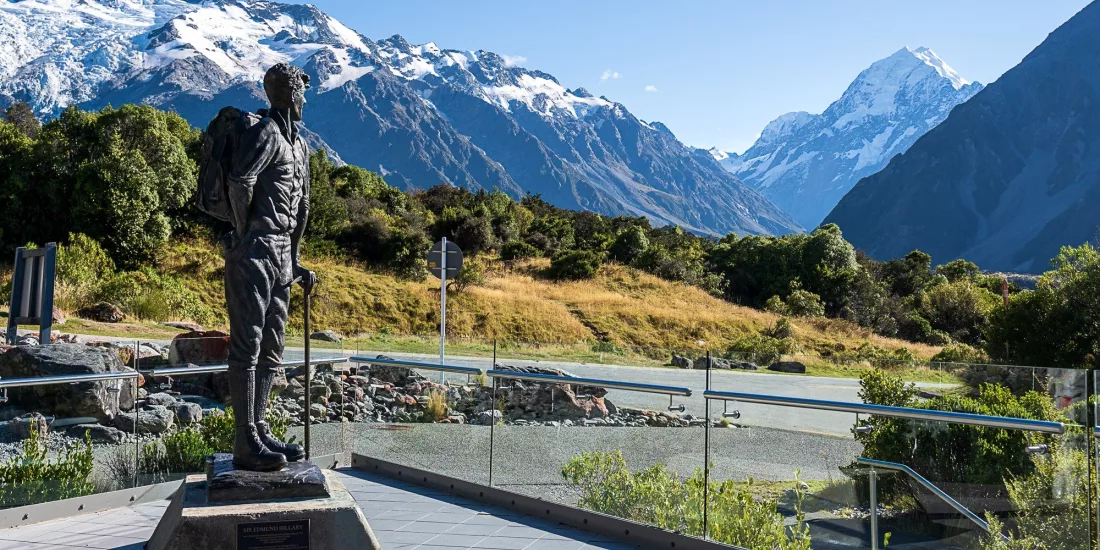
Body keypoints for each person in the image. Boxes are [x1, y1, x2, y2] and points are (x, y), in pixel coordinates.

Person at [223, 62, 317, 471]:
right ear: (291, 94)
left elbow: (304, 204)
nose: (304, 99)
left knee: (273, 347)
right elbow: (240, 181)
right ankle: (245, 439)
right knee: (247, 343)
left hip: (282, 253)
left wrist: (295, 260)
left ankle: (259, 426)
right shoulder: (266, 133)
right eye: (302, 92)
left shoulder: (301, 144)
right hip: (256, 247)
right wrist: (244, 232)